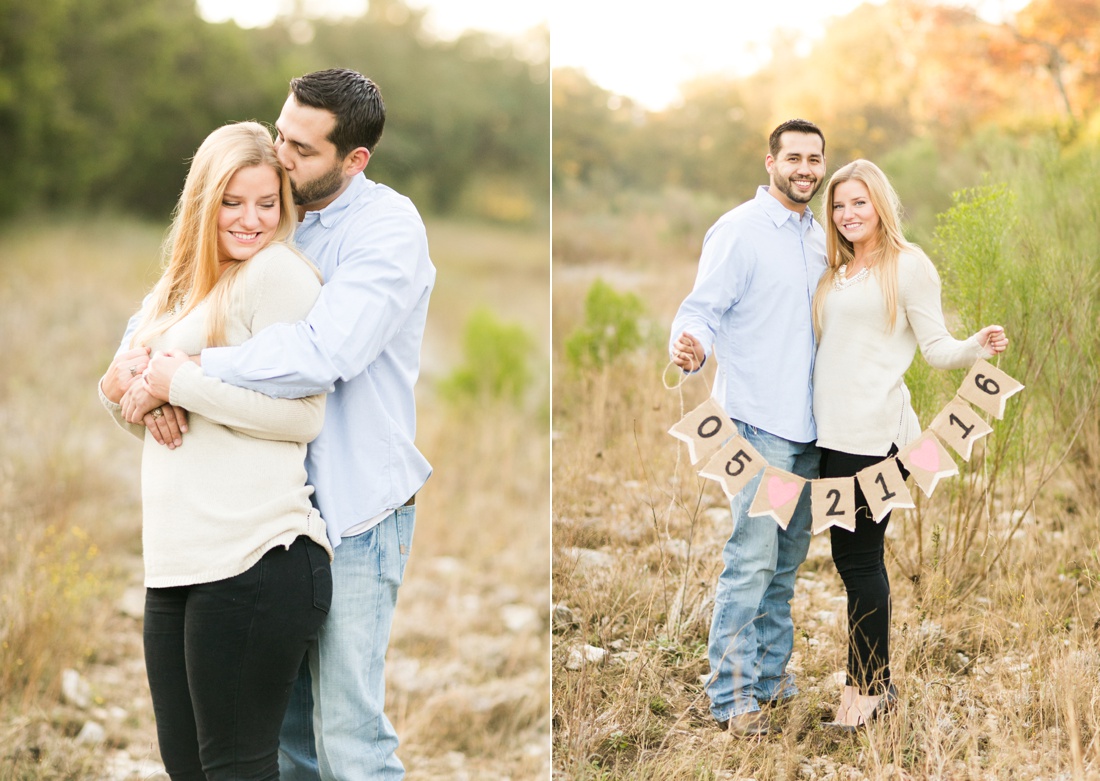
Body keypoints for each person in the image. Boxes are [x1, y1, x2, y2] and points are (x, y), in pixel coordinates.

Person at [124, 69, 434, 780]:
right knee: (287, 740)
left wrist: (182, 372)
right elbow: (169, 304)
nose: (280, 153)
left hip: (355, 506)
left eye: (301, 148)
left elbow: (325, 353)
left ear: (354, 159)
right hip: (265, 521)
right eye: (280, 131)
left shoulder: (386, 230)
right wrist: (134, 365)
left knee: (346, 735)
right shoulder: (268, 213)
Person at [98, 121, 333, 780]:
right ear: (204, 199)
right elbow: (133, 402)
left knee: (235, 766)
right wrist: (126, 391)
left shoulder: (277, 275)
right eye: (233, 201)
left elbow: (304, 416)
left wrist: (184, 383)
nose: (251, 219)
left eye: (267, 202)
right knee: (186, 765)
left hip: (256, 555)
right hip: (175, 563)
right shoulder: (173, 289)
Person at [811, 159, 1008, 730]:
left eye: (858, 202)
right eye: (839, 205)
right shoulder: (836, 272)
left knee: (861, 560)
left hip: (876, 435)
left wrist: (976, 345)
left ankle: (870, 692)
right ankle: (869, 685)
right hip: (831, 436)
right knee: (849, 562)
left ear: (880, 205)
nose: (848, 214)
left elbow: (936, 347)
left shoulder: (908, 265)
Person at [669, 119, 828, 737]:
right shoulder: (739, 230)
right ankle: (732, 698)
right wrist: (690, 347)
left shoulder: (820, 237)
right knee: (752, 559)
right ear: (771, 162)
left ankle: (769, 680)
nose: (805, 169)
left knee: (786, 565)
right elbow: (700, 310)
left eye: (815, 158)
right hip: (756, 425)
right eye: (794, 157)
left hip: (811, 430)